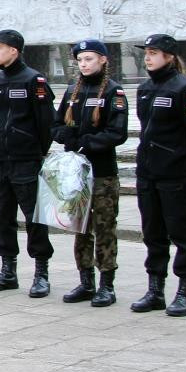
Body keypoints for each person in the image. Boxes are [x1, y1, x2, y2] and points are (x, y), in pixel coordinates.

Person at [130, 34, 186, 317]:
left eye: (153, 53)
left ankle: (185, 293)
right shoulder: (145, 88)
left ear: (169, 57)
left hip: (174, 174)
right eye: (146, 53)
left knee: (181, 232)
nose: (148, 58)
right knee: (153, 233)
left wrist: (185, 166)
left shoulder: (184, 88)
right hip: (148, 173)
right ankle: (155, 291)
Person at [50, 39, 128, 306]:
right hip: (77, 172)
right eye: (80, 60)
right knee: (80, 227)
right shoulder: (72, 90)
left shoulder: (114, 92)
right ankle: (85, 282)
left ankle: (107, 284)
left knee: (104, 227)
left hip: (102, 171)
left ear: (103, 60)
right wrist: (65, 136)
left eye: (89, 59)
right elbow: (56, 124)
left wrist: (88, 142)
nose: (83, 64)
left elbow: (117, 132)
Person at [0, 29, 56, 297]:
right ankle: (8, 271)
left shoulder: (33, 79)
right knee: (3, 215)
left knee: (34, 217)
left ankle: (41, 273)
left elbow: (46, 122)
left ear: (13, 50)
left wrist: (35, 151)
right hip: (2, 159)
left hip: (27, 160)